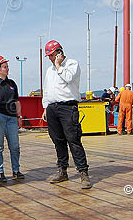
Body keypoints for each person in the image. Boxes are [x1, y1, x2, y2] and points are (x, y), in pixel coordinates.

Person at [41, 40, 92, 190]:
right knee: (58, 140)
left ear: (59, 53)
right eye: (49, 56)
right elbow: (47, 89)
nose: (50, 58)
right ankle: (62, 170)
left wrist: (58, 66)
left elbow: (68, 78)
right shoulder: (49, 71)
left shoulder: (72, 64)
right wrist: (45, 107)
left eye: (51, 55)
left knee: (73, 140)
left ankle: (83, 172)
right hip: (52, 108)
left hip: (67, 107)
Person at [0, 55, 24, 184]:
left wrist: (19, 116)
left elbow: (17, 101)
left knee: (15, 146)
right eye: (5, 67)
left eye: (7, 66)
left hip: (12, 118)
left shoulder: (12, 84)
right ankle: (0, 172)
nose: (7, 69)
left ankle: (16, 170)